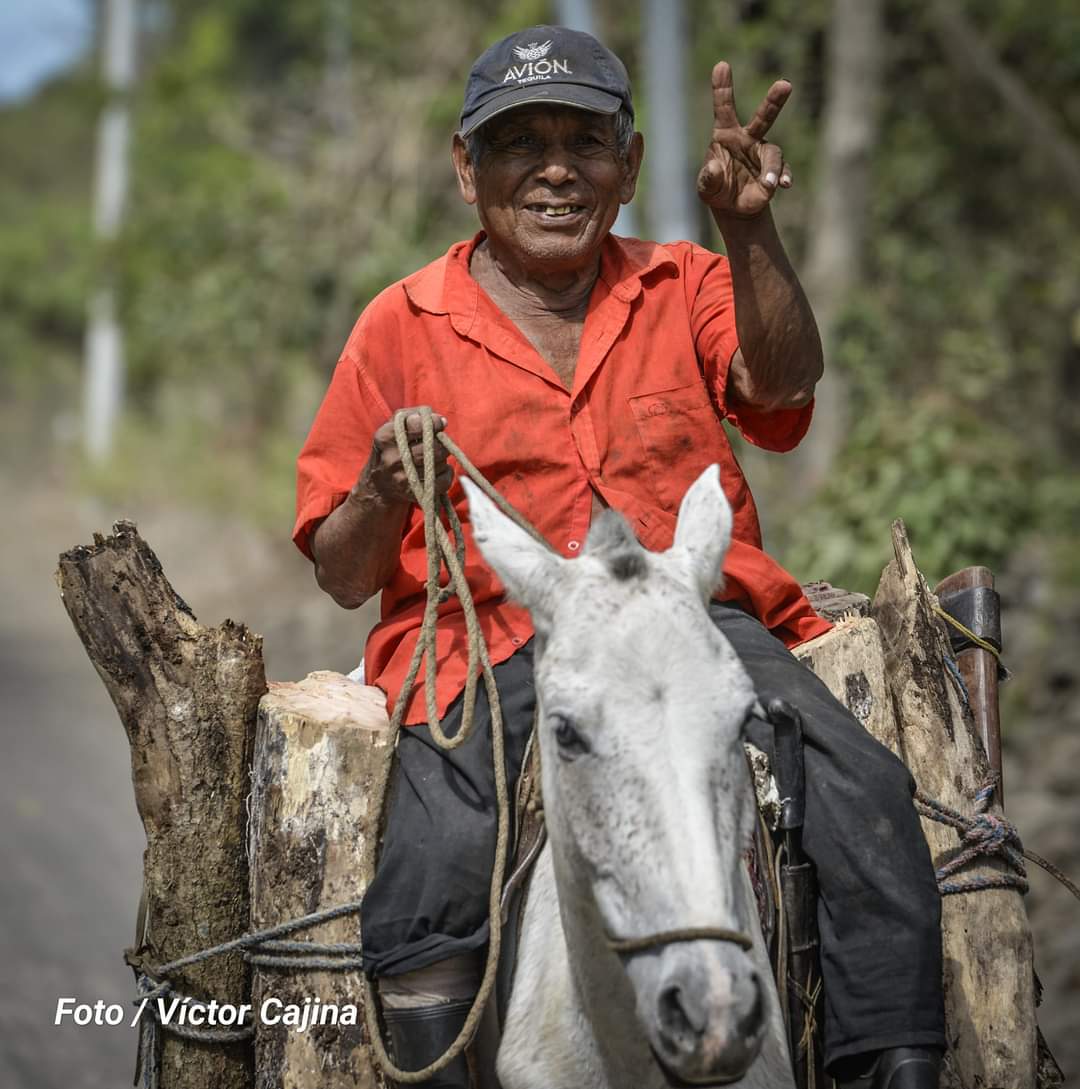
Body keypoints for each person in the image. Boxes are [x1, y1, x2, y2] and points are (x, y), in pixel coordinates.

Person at [294, 25, 944, 1089]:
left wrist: (749, 226)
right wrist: (379, 488)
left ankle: (893, 1063)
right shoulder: (399, 323)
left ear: (629, 166)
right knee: (431, 867)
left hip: (692, 626)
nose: (555, 170)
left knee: (863, 786)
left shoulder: (684, 282)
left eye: (585, 142)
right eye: (520, 143)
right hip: (492, 643)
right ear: (467, 169)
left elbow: (783, 392)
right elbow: (340, 572)